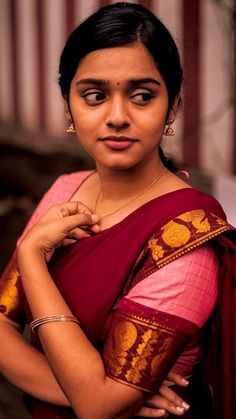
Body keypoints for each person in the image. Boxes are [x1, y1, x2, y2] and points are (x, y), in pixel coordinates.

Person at [0, 2, 235, 418]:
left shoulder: (184, 234)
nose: (117, 117)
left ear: (173, 106)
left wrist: (33, 260)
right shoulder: (65, 189)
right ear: (69, 105)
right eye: (94, 95)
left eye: (142, 96)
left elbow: (97, 407)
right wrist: (97, 391)